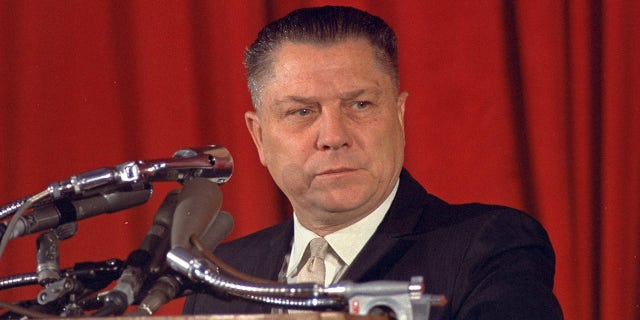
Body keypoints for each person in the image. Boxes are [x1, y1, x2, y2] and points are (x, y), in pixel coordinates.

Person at [183, 6, 563, 320]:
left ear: (398, 115)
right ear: (260, 137)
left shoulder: (489, 245)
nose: (333, 135)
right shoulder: (219, 274)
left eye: (360, 105)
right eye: (302, 111)